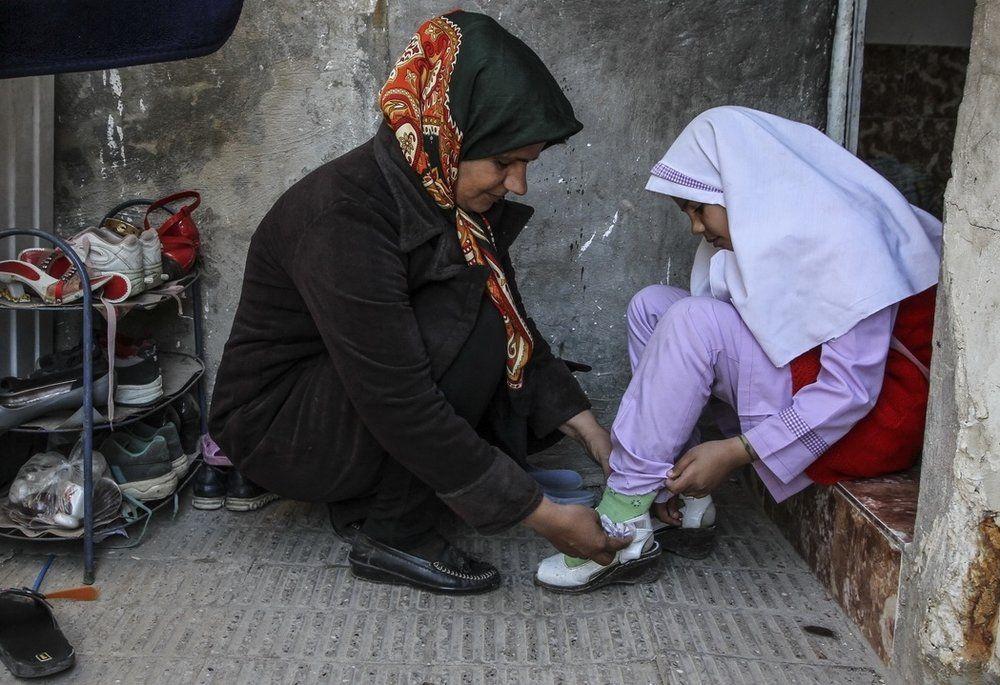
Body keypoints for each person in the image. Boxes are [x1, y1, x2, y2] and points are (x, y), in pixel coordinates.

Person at [209, 11, 630, 594]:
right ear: (445, 132)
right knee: (469, 321)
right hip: (281, 429)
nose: (517, 185)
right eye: (504, 163)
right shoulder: (343, 218)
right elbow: (397, 397)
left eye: (526, 164)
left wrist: (597, 438)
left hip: (341, 403)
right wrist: (544, 516)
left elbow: (519, 332)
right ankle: (395, 534)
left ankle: (372, 495)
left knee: (482, 312)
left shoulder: (450, 204)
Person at [535, 106, 942, 592]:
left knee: (693, 320)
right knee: (653, 307)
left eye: (697, 209)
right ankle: (682, 497)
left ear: (740, 189)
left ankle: (621, 519)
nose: (694, 228)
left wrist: (736, 451)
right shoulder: (778, 231)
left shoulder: (849, 240)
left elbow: (850, 391)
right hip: (812, 386)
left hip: (872, 422)